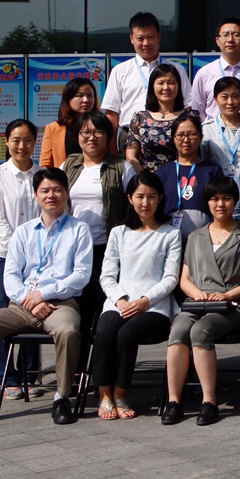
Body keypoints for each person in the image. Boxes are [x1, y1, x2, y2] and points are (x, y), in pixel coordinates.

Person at [0, 167, 91, 429]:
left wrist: (44, 294)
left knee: (68, 332)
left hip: (60, 304)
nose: (51, 195)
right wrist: (30, 300)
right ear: (35, 195)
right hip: (23, 305)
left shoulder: (79, 229)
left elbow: (81, 275)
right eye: (45, 190)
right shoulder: (23, 232)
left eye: (57, 190)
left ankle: (62, 398)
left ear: (67, 193)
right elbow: (10, 276)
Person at [162, 175, 240, 426]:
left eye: (226, 198)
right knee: (178, 330)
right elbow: (184, 279)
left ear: (235, 201)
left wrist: (227, 294)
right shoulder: (195, 236)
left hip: (232, 304)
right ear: (207, 202)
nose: (220, 204)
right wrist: (197, 293)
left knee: (201, 330)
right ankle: (174, 401)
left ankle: (209, 401)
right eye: (214, 199)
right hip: (198, 301)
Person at [92, 172, 182, 420]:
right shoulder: (118, 233)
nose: (145, 202)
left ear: (160, 198)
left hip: (155, 305)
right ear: (129, 198)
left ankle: (121, 391)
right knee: (104, 331)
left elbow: (170, 278)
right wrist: (121, 300)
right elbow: (107, 275)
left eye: (151, 196)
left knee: (128, 333)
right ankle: (104, 393)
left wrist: (145, 301)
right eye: (140, 196)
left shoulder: (170, 234)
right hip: (119, 301)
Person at [0, 119, 42, 399]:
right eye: (16, 140)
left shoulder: (41, 176)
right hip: (2, 257)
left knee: (32, 314)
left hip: (36, 261)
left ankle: (30, 374)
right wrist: (19, 252)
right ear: (6, 141)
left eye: (28, 140)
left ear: (35, 142)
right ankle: (7, 378)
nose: (22, 146)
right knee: (1, 316)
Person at [62, 112, 137, 324]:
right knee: (79, 302)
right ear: (78, 136)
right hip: (74, 247)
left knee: (103, 299)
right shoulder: (68, 166)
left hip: (107, 245)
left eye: (98, 132)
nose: (92, 137)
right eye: (85, 132)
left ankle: (101, 344)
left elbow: (134, 205)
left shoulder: (122, 168)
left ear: (108, 136)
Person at [102, 11, 190, 130]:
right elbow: (112, 113)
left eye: (151, 37)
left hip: (168, 132)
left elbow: (188, 105)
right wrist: (112, 142)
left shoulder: (177, 69)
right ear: (132, 39)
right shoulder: (119, 71)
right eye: (140, 38)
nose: (146, 43)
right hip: (129, 133)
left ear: (159, 36)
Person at [154, 115, 223, 235]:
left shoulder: (212, 170)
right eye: (180, 135)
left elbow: (219, 205)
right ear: (173, 138)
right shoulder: (163, 173)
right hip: (167, 237)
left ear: (200, 137)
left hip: (204, 238)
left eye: (191, 134)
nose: (186, 140)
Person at [125, 64, 200, 174]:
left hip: (183, 178)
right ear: (152, 87)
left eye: (171, 82)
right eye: (161, 83)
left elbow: (199, 152)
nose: (166, 87)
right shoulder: (140, 118)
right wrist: (144, 178)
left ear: (178, 86)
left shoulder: (191, 116)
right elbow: (131, 156)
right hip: (148, 180)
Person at [189, 17, 240, 122]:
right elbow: (197, 110)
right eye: (225, 35)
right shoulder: (204, 73)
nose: (230, 40)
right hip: (213, 132)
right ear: (217, 41)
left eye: (236, 35)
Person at [201, 76, 240, 179]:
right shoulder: (206, 129)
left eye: (235, 96)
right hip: (217, 183)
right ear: (215, 99)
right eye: (224, 97)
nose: (230, 102)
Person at [41, 77, 97, 168]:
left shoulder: (102, 125)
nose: (86, 100)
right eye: (80, 95)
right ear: (68, 99)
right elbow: (45, 165)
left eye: (90, 95)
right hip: (64, 176)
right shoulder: (53, 128)